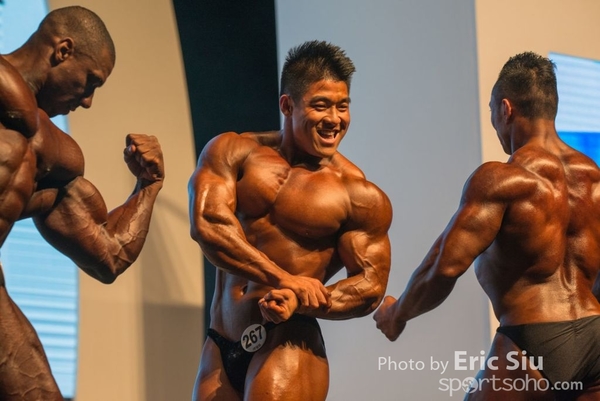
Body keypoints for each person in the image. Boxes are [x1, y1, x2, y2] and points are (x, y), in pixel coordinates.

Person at [374, 51, 600, 400]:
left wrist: (397, 313)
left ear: (505, 109)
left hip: (531, 340)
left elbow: (443, 267)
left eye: (493, 111)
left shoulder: (504, 179)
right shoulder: (595, 181)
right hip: (595, 339)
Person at [189, 40, 392, 401]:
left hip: (287, 341)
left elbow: (369, 286)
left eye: (343, 106)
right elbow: (209, 226)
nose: (335, 119)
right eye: (321, 105)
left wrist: (308, 301)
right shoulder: (233, 151)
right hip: (220, 341)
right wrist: (285, 279)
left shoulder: (357, 194)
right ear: (287, 105)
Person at [0, 6, 164, 400]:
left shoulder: (54, 156)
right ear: (63, 51)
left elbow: (109, 255)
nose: (88, 101)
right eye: (90, 81)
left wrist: (149, 185)